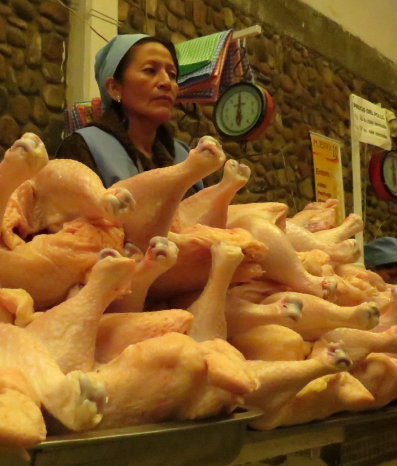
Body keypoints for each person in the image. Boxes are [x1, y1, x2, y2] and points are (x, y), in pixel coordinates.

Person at [56, 33, 203, 191]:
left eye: (172, 74)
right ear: (114, 88)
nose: (167, 82)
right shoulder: (84, 147)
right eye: (150, 70)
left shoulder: (186, 156)